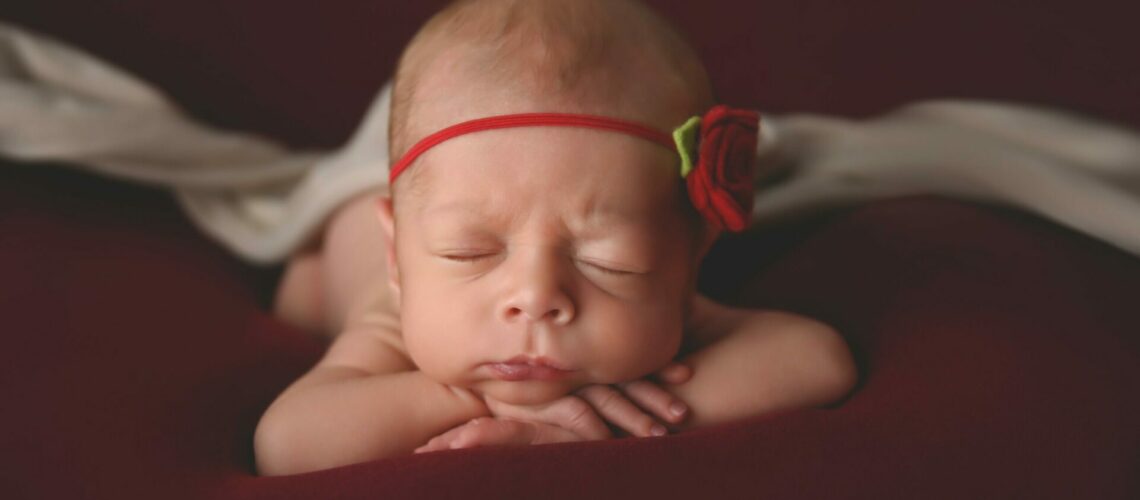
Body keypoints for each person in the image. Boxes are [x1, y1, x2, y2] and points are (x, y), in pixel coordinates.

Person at [255, 0, 857, 476]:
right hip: (350, 242)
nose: (536, 296)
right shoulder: (393, 326)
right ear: (397, 255)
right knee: (305, 289)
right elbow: (290, 441)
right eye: (469, 252)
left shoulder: (663, 302)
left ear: (691, 254)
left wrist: (604, 419)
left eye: (608, 262)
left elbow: (817, 359)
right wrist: (495, 403)